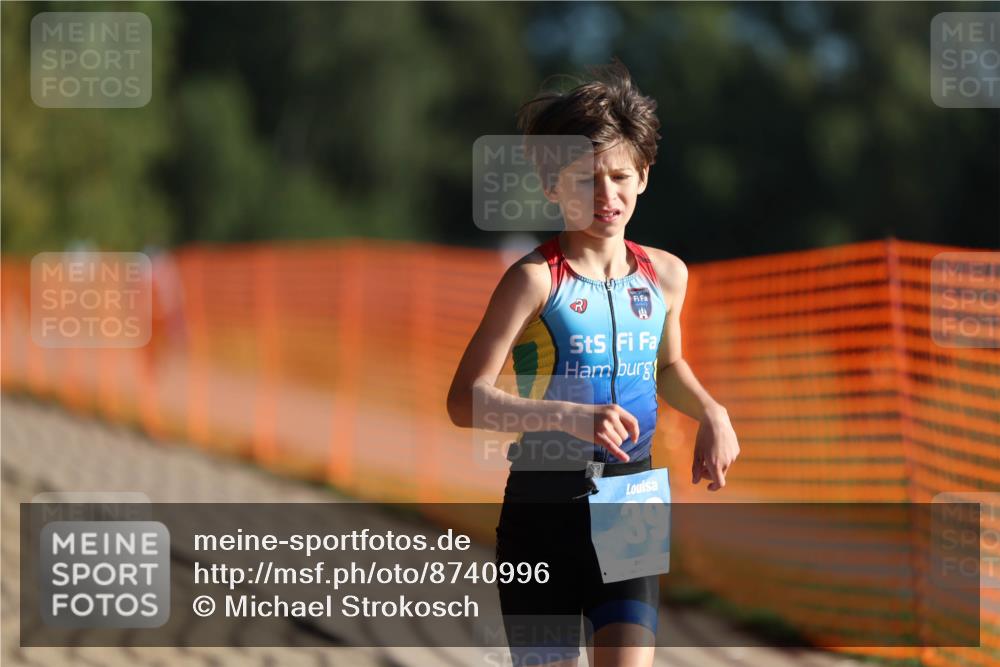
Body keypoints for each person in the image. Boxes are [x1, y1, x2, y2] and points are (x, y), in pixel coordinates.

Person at [447, 59, 740, 667]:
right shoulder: (531, 280)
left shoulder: (666, 276)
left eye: (619, 176)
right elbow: (463, 399)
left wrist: (713, 412)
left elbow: (667, 368)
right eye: (584, 179)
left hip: (631, 497)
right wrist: (566, 418)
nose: (605, 195)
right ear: (553, 185)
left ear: (644, 177)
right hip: (541, 505)